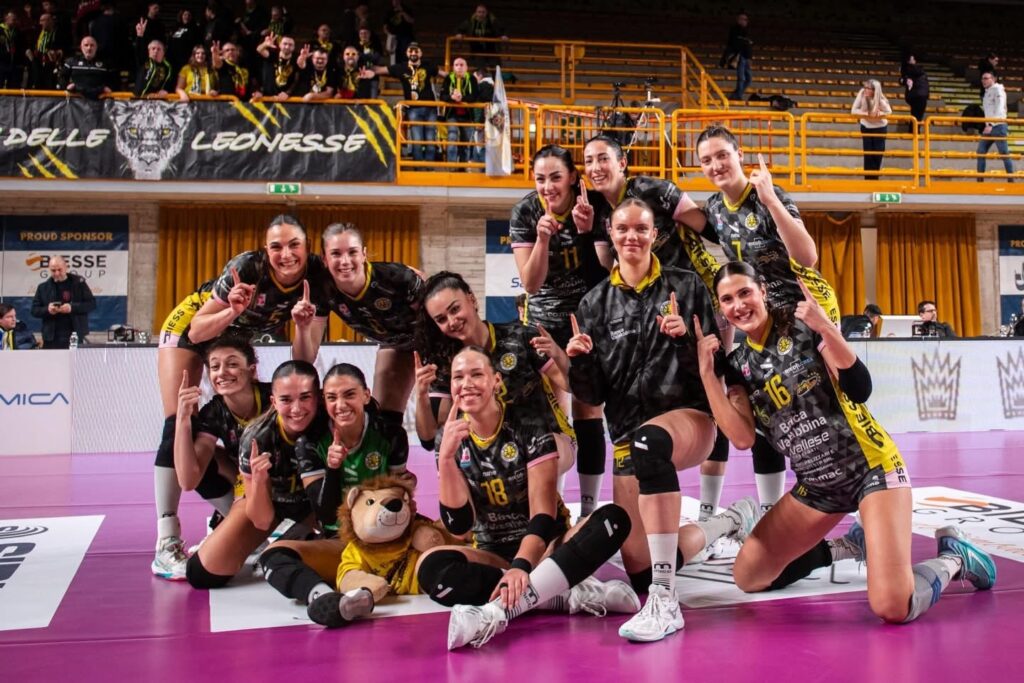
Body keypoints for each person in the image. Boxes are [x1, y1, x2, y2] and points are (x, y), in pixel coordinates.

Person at [692, 261, 996, 625]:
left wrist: (825, 327)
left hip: (870, 470)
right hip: (818, 486)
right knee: (749, 576)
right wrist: (707, 376)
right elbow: (741, 439)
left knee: (892, 606)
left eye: (745, 293)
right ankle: (850, 545)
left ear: (763, 291)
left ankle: (955, 558)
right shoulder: (737, 365)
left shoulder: (801, 325)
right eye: (728, 299)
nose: (739, 305)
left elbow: (860, 387)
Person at [567, 198, 747, 642]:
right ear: (611, 234)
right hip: (628, 436)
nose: (632, 236)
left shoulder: (686, 286)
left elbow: (715, 365)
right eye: (623, 229)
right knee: (641, 573)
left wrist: (686, 341)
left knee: (650, 442)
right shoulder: (593, 303)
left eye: (641, 229)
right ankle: (724, 524)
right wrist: (581, 363)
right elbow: (592, 396)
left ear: (655, 235)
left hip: (690, 419)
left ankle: (667, 601)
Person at [416, 347, 639, 649]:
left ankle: (496, 612)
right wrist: (445, 460)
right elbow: (460, 528)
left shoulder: (529, 426)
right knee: (429, 568)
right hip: (494, 555)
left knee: (613, 519)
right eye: (458, 377)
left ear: (496, 381)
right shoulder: (449, 437)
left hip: (548, 548)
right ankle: (562, 596)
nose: (466, 384)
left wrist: (522, 566)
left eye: (476, 374)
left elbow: (543, 516)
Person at [152, 215, 330, 580]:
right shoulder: (247, 267)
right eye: (276, 246)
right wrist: (232, 310)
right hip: (200, 323)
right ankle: (167, 537)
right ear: (265, 250)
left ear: (308, 247)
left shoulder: (317, 277)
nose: (286, 254)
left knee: (253, 440)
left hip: (239, 337)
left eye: (294, 245)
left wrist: (301, 326)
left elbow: (303, 360)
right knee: (179, 422)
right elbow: (197, 331)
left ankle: (231, 516)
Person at [583, 133, 731, 531]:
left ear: (622, 162)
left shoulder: (654, 189)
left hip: (697, 293)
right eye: (589, 160)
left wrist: (736, 279)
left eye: (603, 158)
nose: (596, 167)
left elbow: (709, 229)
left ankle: (711, 514)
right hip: (648, 298)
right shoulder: (597, 211)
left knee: (715, 386)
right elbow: (607, 268)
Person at [257, 362, 412, 627]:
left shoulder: (390, 434)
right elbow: (327, 515)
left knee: (440, 545)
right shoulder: (310, 442)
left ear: (366, 395)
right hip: (343, 543)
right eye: (331, 398)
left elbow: (400, 498)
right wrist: (332, 469)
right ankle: (324, 598)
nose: (340, 405)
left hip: (390, 540)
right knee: (274, 556)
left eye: (349, 394)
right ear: (324, 401)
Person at [511, 145, 614, 517]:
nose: (548, 186)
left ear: (572, 176)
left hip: (587, 322)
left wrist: (585, 232)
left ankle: (588, 508)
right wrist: (541, 240)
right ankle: (553, 507)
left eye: (556, 177)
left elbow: (604, 276)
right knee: (553, 416)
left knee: (589, 410)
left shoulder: (594, 205)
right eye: (540, 179)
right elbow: (530, 283)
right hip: (544, 323)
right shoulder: (525, 211)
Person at [414, 271, 575, 483]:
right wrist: (421, 395)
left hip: (548, 440)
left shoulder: (521, 337)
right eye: (441, 319)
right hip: (490, 456)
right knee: (451, 453)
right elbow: (430, 439)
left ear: (471, 299)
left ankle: (545, 498)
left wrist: (558, 354)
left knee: (529, 455)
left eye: (455, 309)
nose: (452, 321)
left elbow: (572, 385)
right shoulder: (445, 363)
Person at [185, 360, 331, 589]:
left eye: (305, 397)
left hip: (318, 506)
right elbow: (261, 520)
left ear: (318, 397)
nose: (296, 409)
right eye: (286, 400)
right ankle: (296, 538)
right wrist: (260, 482)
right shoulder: (256, 437)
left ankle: (303, 535)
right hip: (272, 505)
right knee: (202, 573)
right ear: (273, 402)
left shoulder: (331, 424)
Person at [299, 222, 422, 429]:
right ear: (325, 259)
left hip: (431, 340)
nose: (345, 261)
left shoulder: (397, 278)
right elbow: (305, 358)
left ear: (364, 254)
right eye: (336, 254)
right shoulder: (322, 289)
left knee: (441, 411)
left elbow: (438, 318)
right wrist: (302, 328)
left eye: (352, 252)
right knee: (383, 422)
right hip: (395, 344)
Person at [173, 336, 270, 528]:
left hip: (284, 481)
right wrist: (182, 420)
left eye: (232, 364)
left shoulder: (273, 399)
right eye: (215, 367)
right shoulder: (213, 411)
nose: (222, 373)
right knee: (192, 452)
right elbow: (188, 481)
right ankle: (232, 514)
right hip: (248, 481)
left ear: (252, 371)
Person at [369, 42, 444, 164]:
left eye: (416, 51)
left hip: (430, 108)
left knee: (430, 140)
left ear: (421, 53)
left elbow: (444, 74)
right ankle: (418, 167)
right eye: (411, 51)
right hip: (413, 108)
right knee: (416, 140)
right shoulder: (401, 67)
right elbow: (381, 70)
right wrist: (369, 70)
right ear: (406, 53)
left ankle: (429, 167)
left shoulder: (428, 65)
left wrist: (459, 75)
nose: (413, 53)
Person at [30, 255, 95, 349]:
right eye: (53, 270)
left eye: (59, 270)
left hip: (74, 334)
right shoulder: (43, 287)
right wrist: (47, 309)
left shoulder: (79, 283)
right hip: (51, 337)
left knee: (74, 358)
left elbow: (91, 304)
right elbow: (34, 310)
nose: (57, 273)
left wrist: (72, 307)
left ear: (66, 267)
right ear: (49, 269)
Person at [440, 56, 478, 165]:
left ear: (466, 67)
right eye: (456, 65)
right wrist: (451, 97)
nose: (459, 67)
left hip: (468, 116)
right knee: (452, 139)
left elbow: (475, 96)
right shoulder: (448, 78)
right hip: (452, 115)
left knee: (466, 143)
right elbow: (442, 96)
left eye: (462, 65)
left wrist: (462, 98)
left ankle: (463, 167)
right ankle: (451, 167)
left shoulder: (472, 79)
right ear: (453, 68)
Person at [851, 79, 892, 180]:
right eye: (865, 87)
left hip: (880, 128)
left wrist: (880, 113)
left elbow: (889, 111)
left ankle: (874, 178)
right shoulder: (861, 93)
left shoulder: (880, 99)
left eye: (868, 88)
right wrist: (866, 114)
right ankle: (868, 179)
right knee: (868, 155)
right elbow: (853, 110)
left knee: (877, 154)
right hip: (866, 126)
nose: (865, 90)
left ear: (874, 90)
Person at [977, 71, 1014, 181]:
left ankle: (1011, 180)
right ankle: (980, 180)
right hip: (989, 126)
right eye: (982, 78)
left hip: (998, 126)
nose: (983, 81)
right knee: (980, 151)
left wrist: (991, 124)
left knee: (1004, 153)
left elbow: (1000, 107)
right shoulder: (987, 92)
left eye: (986, 78)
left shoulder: (998, 89)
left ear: (993, 79)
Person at [60, 35, 113, 99]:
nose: (89, 48)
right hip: (76, 100)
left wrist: (108, 88)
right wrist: (67, 86)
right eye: (86, 45)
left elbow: (113, 79)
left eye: (92, 45)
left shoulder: (105, 63)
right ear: (81, 47)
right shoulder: (72, 61)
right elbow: (62, 77)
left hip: (99, 100)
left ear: (96, 47)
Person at [26, 11, 68, 89]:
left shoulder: (59, 33)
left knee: (50, 85)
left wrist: (58, 52)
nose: (40, 23)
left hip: (52, 64)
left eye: (43, 20)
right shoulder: (38, 32)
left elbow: (65, 48)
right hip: (38, 63)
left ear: (50, 21)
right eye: (40, 21)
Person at [134, 22, 173, 98]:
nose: (155, 51)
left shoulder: (168, 67)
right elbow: (138, 51)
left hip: (157, 100)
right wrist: (140, 35)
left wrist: (165, 90)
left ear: (163, 52)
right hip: (139, 99)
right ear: (148, 51)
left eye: (159, 49)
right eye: (153, 48)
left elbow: (169, 83)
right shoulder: (144, 61)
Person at [255, 32, 297, 100]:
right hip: (268, 97)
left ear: (294, 47)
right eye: (285, 44)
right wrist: (265, 44)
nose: (287, 47)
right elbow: (259, 50)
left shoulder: (296, 59)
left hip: (286, 98)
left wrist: (288, 93)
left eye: (290, 45)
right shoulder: (272, 55)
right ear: (280, 45)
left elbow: (297, 80)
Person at [723, 11, 752, 100]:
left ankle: (736, 94)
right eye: (742, 19)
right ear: (738, 20)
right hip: (739, 56)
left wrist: (750, 58)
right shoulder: (735, 30)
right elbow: (736, 43)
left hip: (746, 57)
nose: (744, 21)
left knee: (748, 79)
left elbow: (748, 45)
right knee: (741, 78)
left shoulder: (747, 31)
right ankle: (738, 96)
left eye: (746, 20)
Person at [899, 54, 929, 125]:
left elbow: (903, 80)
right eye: (912, 59)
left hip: (916, 96)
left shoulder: (909, 70)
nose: (914, 61)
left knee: (915, 118)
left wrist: (903, 80)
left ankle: (914, 131)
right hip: (921, 96)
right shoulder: (918, 69)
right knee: (917, 118)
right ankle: (915, 131)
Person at [384, 0, 415, 65]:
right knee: (394, 56)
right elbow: (385, 27)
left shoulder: (406, 9)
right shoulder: (389, 12)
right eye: (394, 0)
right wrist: (389, 35)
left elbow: (411, 21)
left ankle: (406, 67)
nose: (395, 2)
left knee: (405, 54)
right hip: (393, 36)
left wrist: (403, 12)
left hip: (406, 36)